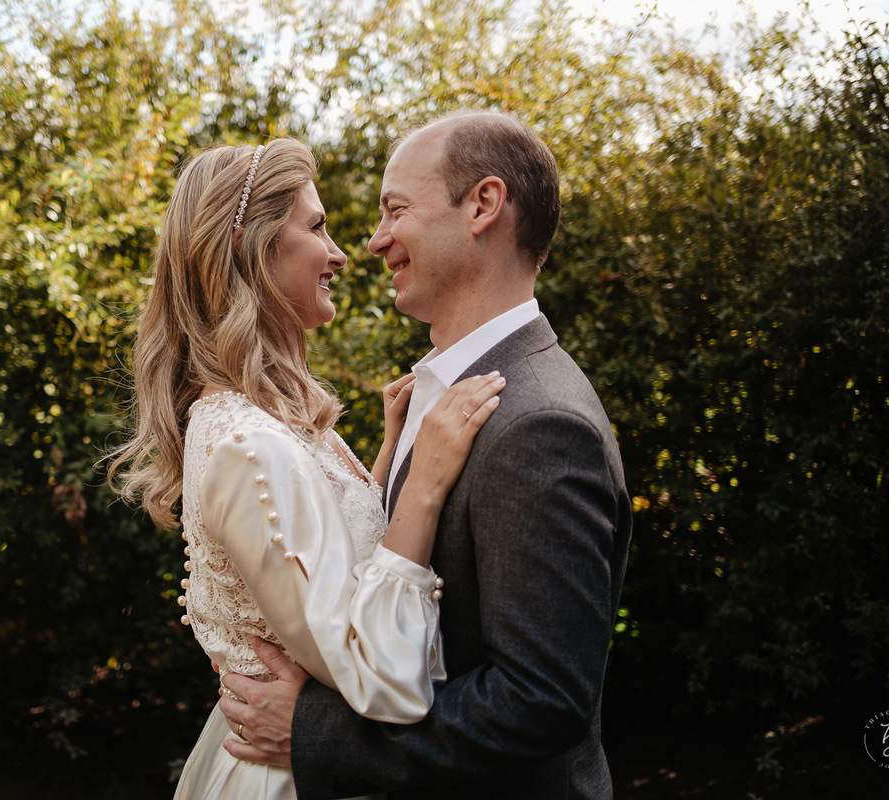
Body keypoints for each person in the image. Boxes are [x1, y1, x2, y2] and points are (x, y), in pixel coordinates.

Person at [218, 112, 632, 799]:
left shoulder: (540, 424)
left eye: (395, 210)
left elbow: (541, 702)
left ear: (483, 206)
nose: (375, 241)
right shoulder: (434, 396)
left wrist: (314, 732)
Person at [105, 138, 506, 800]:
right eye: (317, 226)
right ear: (252, 248)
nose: (343, 253)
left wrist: (384, 460)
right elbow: (380, 676)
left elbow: (328, 565)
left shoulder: (271, 424)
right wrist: (425, 481)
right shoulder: (246, 444)